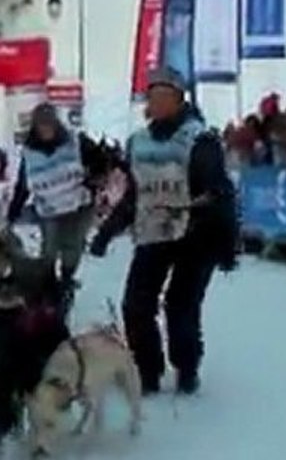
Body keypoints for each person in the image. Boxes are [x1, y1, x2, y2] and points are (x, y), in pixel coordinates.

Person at [89, 68, 238, 396]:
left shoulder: (199, 140)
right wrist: (107, 232)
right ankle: (148, 370)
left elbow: (219, 191)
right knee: (135, 306)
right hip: (153, 231)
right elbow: (134, 194)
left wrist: (226, 241)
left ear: (179, 99)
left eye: (163, 96)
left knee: (180, 304)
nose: (155, 103)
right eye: (151, 96)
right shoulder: (138, 143)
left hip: (195, 234)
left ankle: (186, 368)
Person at [6, 104, 96, 297]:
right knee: (49, 250)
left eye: (49, 125)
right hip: (49, 209)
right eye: (41, 126)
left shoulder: (75, 141)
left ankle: (66, 280)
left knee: (73, 248)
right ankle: (48, 287)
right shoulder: (30, 153)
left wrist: (92, 182)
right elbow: (23, 185)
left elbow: (100, 161)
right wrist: (13, 212)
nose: (46, 129)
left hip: (77, 206)